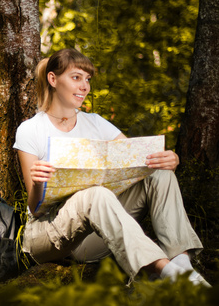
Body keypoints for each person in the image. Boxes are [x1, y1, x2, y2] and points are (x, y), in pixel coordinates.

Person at [13, 48, 211, 287]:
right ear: (53, 79)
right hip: (51, 237)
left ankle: (182, 263)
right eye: (76, 77)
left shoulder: (95, 122)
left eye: (87, 79)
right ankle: (166, 271)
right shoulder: (31, 129)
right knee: (95, 194)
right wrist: (37, 182)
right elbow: (34, 208)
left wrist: (170, 160)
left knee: (157, 172)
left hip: (96, 235)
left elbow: (137, 161)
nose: (85, 86)